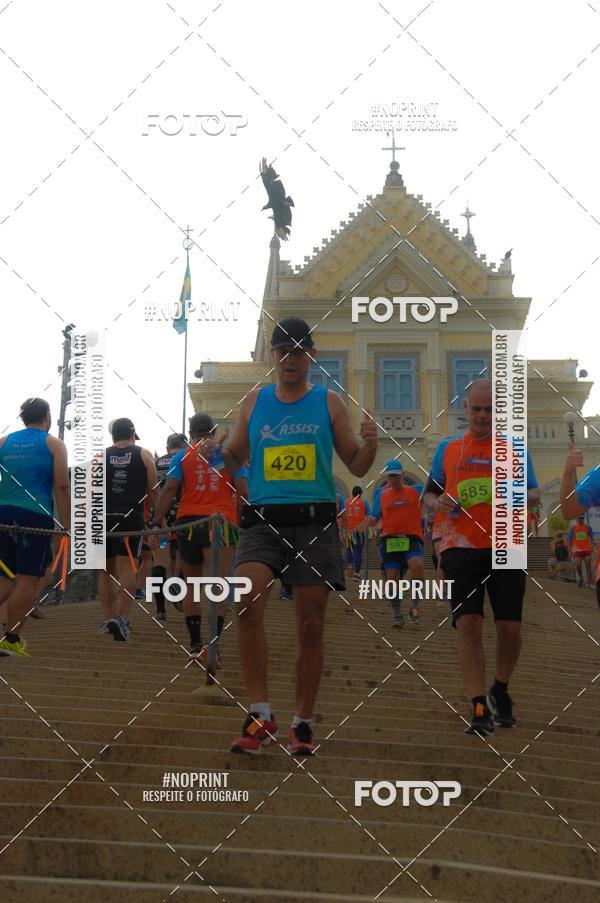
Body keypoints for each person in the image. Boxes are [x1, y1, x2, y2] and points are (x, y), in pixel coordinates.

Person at [208, 316, 377, 756]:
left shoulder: (328, 403)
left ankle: (302, 723)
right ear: (272, 356)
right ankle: (260, 714)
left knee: (311, 624)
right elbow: (235, 458)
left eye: (298, 352)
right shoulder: (253, 402)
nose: (289, 360)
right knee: (245, 603)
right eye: (282, 352)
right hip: (263, 522)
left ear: (311, 357)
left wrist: (371, 443)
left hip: (314, 523)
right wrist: (219, 451)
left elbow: (357, 466)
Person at [422, 379, 540, 736]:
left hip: (506, 544)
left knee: (510, 628)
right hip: (459, 545)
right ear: (465, 409)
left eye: (490, 410)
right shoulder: (447, 449)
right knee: (469, 624)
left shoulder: (516, 450)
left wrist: (513, 494)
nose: (483, 415)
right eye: (477, 409)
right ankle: (478, 705)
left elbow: (535, 493)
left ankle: (500, 689)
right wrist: (437, 502)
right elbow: (428, 495)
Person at [152, 413, 247, 664]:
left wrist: (156, 521)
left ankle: (195, 645)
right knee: (220, 584)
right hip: (221, 523)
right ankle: (213, 646)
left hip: (188, 523)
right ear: (214, 431)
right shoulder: (227, 455)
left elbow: (170, 488)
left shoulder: (181, 456)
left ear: (190, 432)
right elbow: (243, 489)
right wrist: (241, 524)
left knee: (192, 584)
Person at [0, 398, 70, 657]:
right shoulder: (54, 444)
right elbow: (62, 486)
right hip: (35, 517)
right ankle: (11, 640)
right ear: (47, 416)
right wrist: (66, 526)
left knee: (4, 577)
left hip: (3, 513)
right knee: (27, 580)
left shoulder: (4, 442)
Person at [99, 418, 158, 641]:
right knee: (128, 569)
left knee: (104, 571)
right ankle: (121, 618)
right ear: (132, 434)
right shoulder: (143, 455)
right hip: (130, 519)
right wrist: (158, 521)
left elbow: (87, 492)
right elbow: (153, 491)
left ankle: (108, 618)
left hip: (102, 518)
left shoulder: (99, 457)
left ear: (113, 436)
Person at [369, 461, 423, 626]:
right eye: (390, 476)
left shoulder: (416, 490)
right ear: (386, 477)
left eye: (396, 475)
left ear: (403, 475)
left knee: (418, 565)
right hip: (390, 540)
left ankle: (414, 609)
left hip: (411, 537)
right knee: (392, 577)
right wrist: (370, 520)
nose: (393, 479)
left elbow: (432, 495)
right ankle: (397, 615)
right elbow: (374, 517)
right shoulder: (382, 495)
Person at [149, 433, 187, 621]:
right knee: (181, 554)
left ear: (166, 447)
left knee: (160, 559)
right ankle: (177, 585)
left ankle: (161, 609)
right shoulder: (185, 458)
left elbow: (151, 489)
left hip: (159, 516)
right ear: (184, 445)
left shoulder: (156, 463)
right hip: (182, 514)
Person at [344, 486, 371, 580]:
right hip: (359, 532)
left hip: (348, 532)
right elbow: (369, 517)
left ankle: (350, 567)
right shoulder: (364, 503)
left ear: (352, 493)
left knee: (349, 550)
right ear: (361, 493)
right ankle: (356, 573)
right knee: (358, 551)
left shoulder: (346, 503)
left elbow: (341, 517)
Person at [567, 515, 594, 588]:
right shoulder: (573, 528)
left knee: (588, 563)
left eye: (582, 518)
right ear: (576, 519)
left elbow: (592, 537)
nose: (580, 520)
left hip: (586, 549)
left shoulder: (588, 527)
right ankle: (581, 578)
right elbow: (569, 539)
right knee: (578, 566)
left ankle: (588, 583)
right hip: (577, 550)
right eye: (579, 518)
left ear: (583, 519)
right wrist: (570, 550)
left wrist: (592, 546)